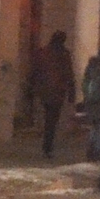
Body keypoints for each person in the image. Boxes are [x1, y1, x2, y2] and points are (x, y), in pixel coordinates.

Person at [28, 29, 76, 159]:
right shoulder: (64, 55)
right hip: (57, 93)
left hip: (43, 92)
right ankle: (47, 146)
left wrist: (31, 89)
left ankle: (46, 144)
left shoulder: (42, 53)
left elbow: (34, 72)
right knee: (52, 120)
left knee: (47, 119)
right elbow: (69, 74)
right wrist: (72, 93)